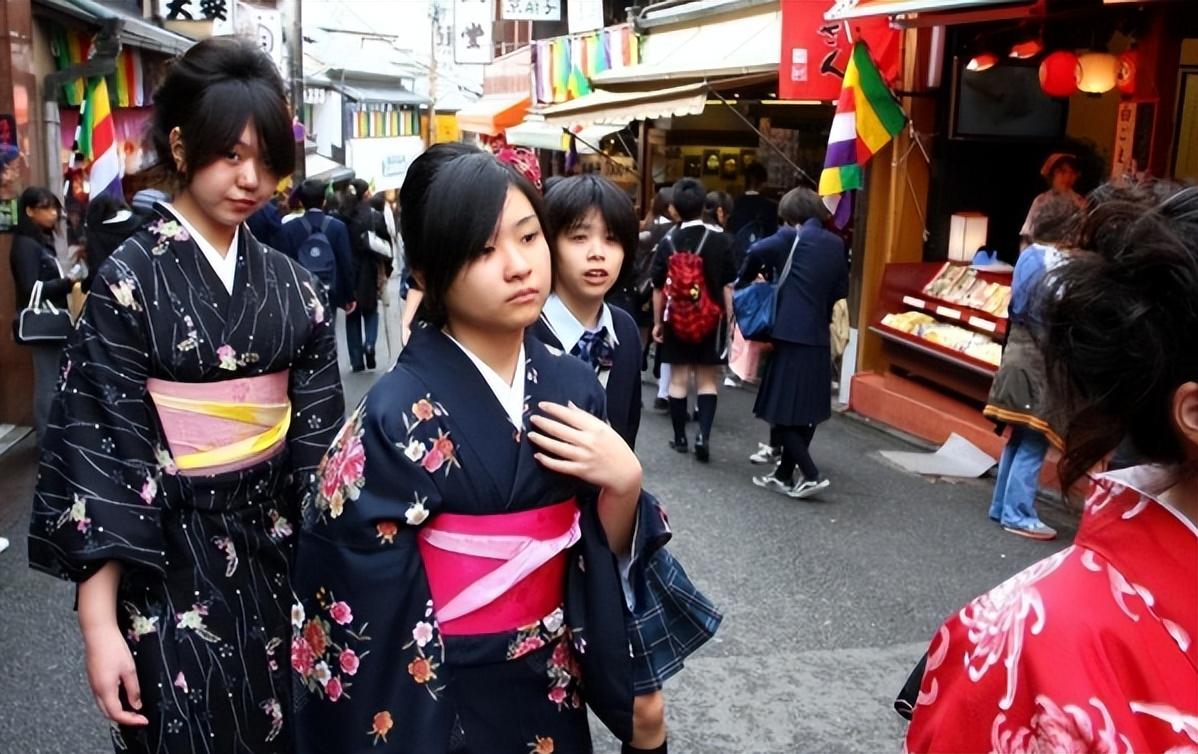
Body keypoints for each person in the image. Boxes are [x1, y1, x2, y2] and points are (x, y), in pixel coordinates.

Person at [291, 144, 668, 753]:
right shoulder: (391, 418)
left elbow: (594, 549)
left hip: (551, 680)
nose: (519, 266)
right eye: (484, 250)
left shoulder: (571, 386)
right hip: (440, 693)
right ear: (425, 273)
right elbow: (352, 591)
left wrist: (624, 483)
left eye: (528, 237)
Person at [26, 37, 344, 753]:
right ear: (179, 142)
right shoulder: (129, 281)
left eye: (266, 160)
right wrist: (98, 625)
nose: (251, 178)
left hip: (277, 559)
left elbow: (318, 457)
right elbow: (104, 454)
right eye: (231, 154)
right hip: (166, 564)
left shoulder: (297, 290)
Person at [905, 182, 1198, 753]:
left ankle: (1006, 504)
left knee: (1021, 443)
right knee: (1028, 444)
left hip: (1020, 358)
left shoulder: (1030, 264)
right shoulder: (1028, 647)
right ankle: (1011, 507)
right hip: (1029, 364)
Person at [534, 174, 721, 754]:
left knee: (645, 707)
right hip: (536, 545)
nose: (598, 253)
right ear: (546, 244)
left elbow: (627, 440)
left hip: (610, 534)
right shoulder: (519, 331)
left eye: (612, 239)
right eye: (578, 236)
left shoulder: (625, 331)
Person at [982, 193, 1081, 540]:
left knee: (1020, 434)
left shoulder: (1028, 256)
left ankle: (1001, 506)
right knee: (1035, 437)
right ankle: (1017, 512)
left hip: (1017, 355)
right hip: (1039, 361)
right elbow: (1057, 311)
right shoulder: (1056, 262)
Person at [740, 188, 848, 499]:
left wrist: (751, 277)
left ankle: (811, 474)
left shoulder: (790, 237)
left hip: (788, 334)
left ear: (790, 215)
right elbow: (841, 288)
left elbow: (755, 251)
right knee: (807, 409)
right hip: (817, 334)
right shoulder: (835, 243)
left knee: (781, 409)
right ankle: (785, 474)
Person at [651, 178, 738, 462]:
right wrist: (730, 322)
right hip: (710, 320)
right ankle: (704, 435)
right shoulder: (721, 241)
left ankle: (679, 439)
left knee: (677, 380)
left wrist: (657, 323)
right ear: (704, 206)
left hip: (677, 318)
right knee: (706, 381)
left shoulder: (667, 242)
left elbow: (657, 287)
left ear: (674, 208)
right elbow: (728, 285)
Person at [9, 186, 79, 443]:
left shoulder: (37, 241)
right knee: (48, 380)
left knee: (53, 378)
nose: (53, 214)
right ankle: (48, 439)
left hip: (49, 323)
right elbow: (29, 289)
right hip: (43, 323)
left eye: (54, 208)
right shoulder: (26, 244)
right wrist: (67, 282)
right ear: (30, 211)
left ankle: (53, 436)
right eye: (46, 208)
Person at [273, 178, 357, 313]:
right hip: (330, 292)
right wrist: (349, 296)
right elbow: (346, 264)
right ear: (324, 201)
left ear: (301, 201)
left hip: (300, 293)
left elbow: (284, 264)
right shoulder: (338, 227)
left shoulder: (289, 229)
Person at [341, 178, 391, 371]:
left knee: (351, 315)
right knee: (371, 311)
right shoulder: (373, 216)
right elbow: (386, 246)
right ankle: (369, 343)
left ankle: (356, 360)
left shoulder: (342, 216)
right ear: (365, 193)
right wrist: (386, 269)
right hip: (369, 269)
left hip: (348, 269)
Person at [640, 188, 677, 413]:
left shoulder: (647, 228)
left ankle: (638, 373)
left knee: (641, 336)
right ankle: (663, 390)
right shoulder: (673, 231)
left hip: (641, 289)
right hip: (665, 290)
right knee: (663, 338)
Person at [1019, 152, 1085, 244]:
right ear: (1052, 174)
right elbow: (1027, 234)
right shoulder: (1041, 200)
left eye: (1072, 173)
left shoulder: (1080, 202)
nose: (1068, 177)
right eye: (1062, 171)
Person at [81, 193, 143, 292]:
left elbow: (97, 271)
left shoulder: (97, 233)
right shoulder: (141, 225)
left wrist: (84, 286)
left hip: (112, 292)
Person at [727, 162, 778, 268]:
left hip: (737, 261)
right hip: (762, 263)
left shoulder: (733, 204)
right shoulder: (771, 207)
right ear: (764, 183)